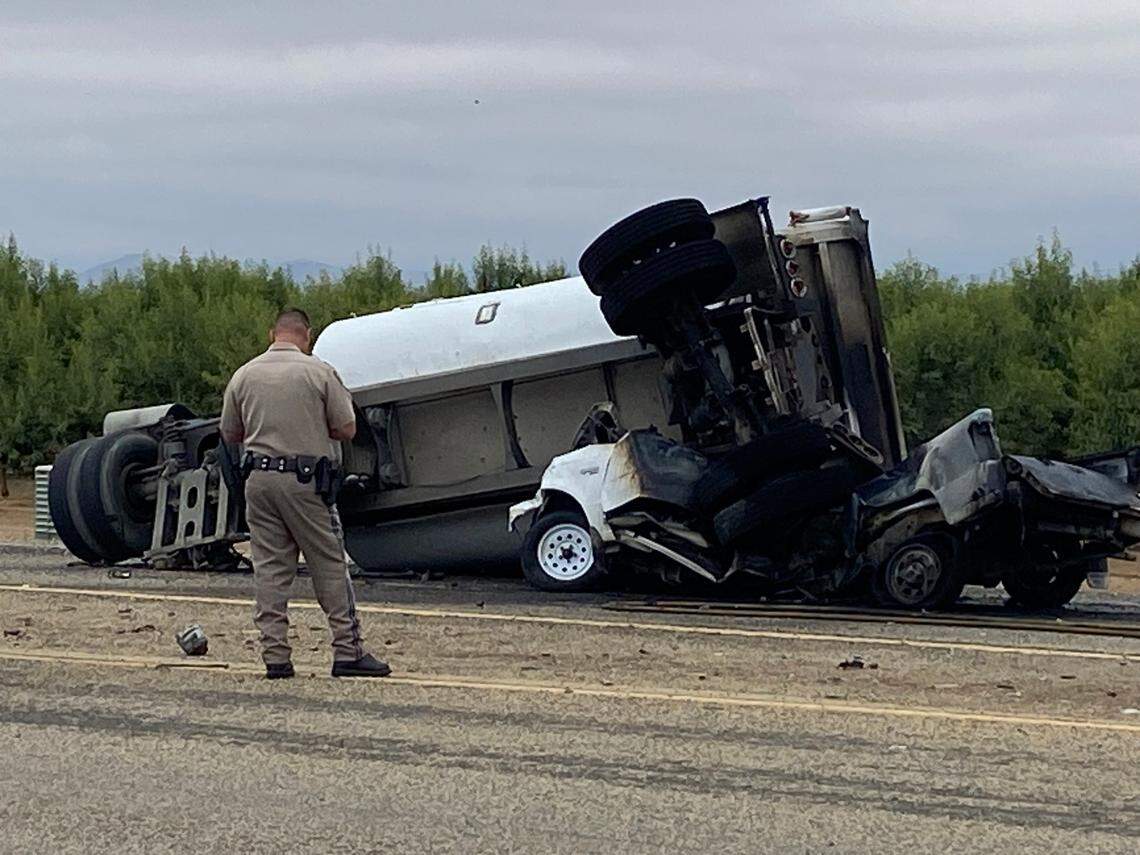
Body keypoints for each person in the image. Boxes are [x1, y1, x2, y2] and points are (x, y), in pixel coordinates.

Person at [220, 308, 390, 680]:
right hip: (307, 483)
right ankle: (348, 651)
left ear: (272, 334)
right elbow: (346, 428)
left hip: (260, 483)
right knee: (328, 564)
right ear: (306, 335)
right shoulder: (319, 372)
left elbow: (230, 433)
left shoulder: (243, 375)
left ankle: (275, 657)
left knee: (269, 568)